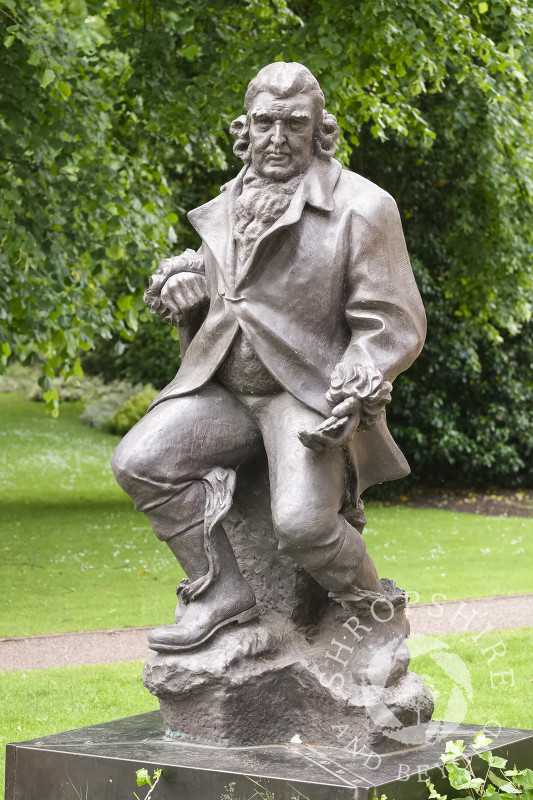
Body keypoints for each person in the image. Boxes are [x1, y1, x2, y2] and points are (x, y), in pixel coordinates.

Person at [112, 62, 426, 653]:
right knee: (140, 461)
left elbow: (392, 323)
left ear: (319, 130)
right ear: (244, 128)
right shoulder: (228, 204)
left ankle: (376, 616)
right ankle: (221, 593)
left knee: (305, 525)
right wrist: (184, 287)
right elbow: (223, 289)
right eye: (264, 123)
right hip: (223, 387)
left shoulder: (364, 207)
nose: (276, 139)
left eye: (293, 124)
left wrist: (360, 375)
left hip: (305, 392)